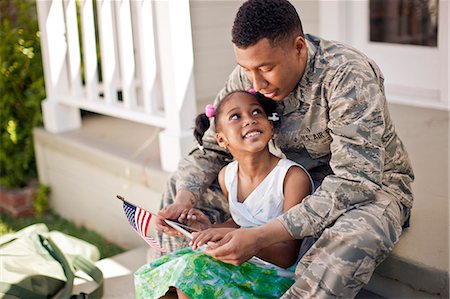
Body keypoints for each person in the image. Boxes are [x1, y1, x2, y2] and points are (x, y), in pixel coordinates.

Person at [156, 0, 414, 297]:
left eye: (266, 68)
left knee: (355, 237)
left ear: (299, 47)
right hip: (284, 181)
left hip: (368, 187)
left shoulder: (347, 74)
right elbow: (212, 149)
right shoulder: (250, 75)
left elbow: (355, 182)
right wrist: (184, 199)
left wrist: (257, 236)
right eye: (247, 69)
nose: (256, 83)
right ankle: (177, 286)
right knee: (180, 190)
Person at [136, 90, 315, 298]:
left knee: (191, 272)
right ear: (221, 139)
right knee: (160, 274)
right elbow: (241, 222)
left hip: (274, 277)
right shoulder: (227, 176)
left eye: (256, 112)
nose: (249, 120)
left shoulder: (291, 178)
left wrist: (232, 236)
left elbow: (287, 254)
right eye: (236, 116)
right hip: (241, 265)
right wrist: (207, 229)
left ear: (271, 125)